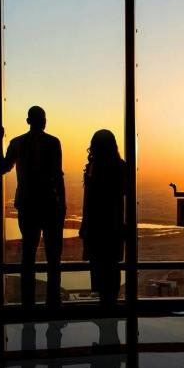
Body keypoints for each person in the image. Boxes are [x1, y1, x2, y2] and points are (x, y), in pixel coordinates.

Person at [1, 107, 66, 309]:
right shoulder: (53, 142)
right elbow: (57, 176)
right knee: (53, 256)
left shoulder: (17, 143)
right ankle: (53, 301)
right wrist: (62, 204)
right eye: (43, 118)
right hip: (49, 205)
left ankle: (27, 303)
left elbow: (3, 167)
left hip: (27, 204)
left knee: (28, 255)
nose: (44, 121)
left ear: (28, 120)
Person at [79, 129, 127, 307]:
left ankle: (106, 306)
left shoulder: (94, 167)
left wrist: (84, 224)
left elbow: (89, 199)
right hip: (113, 225)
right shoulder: (121, 167)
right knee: (112, 266)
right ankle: (110, 304)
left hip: (96, 225)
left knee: (100, 267)